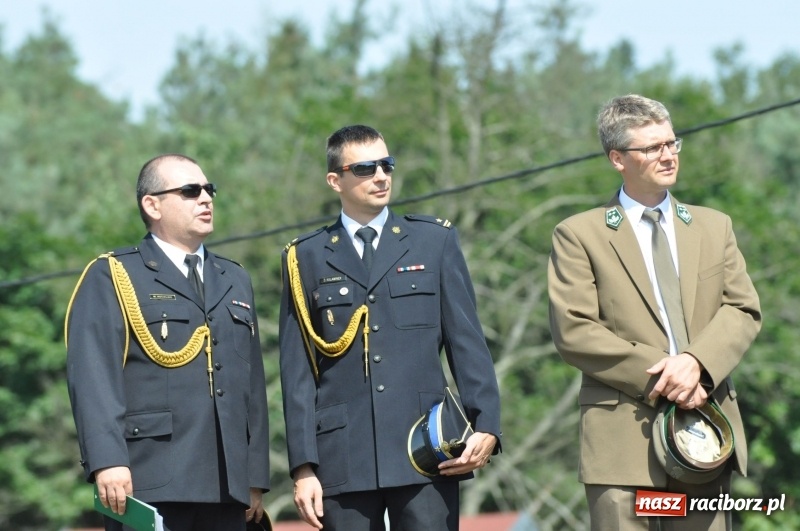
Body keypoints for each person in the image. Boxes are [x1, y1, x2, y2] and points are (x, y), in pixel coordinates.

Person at [547, 94, 762, 530]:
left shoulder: (714, 225)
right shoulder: (578, 234)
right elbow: (574, 330)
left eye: (671, 143)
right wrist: (668, 374)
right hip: (622, 444)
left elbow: (742, 309)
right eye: (652, 147)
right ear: (617, 158)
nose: (667, 155)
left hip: (704, 433)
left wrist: (697, 366)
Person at [278, 124, 502, 530]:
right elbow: (297, 375)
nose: (381, 176)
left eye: (387, 165)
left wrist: (486, 424)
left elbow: (466, 341)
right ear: (335, 180)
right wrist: (303, 466)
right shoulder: (305, 257)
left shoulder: (432, 241)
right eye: (365, 168)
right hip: (341, 454)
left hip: (425, 448)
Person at [65, 154, 271, 531]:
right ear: (152, 204)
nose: (206, 199)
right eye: (190, 191)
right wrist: (107, 460)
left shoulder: (234, 278)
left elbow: (251, 385)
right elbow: (94, 377)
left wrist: (254, 475)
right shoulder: (114, 274)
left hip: (229, 488)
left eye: (209, 190)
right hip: (150, 479)